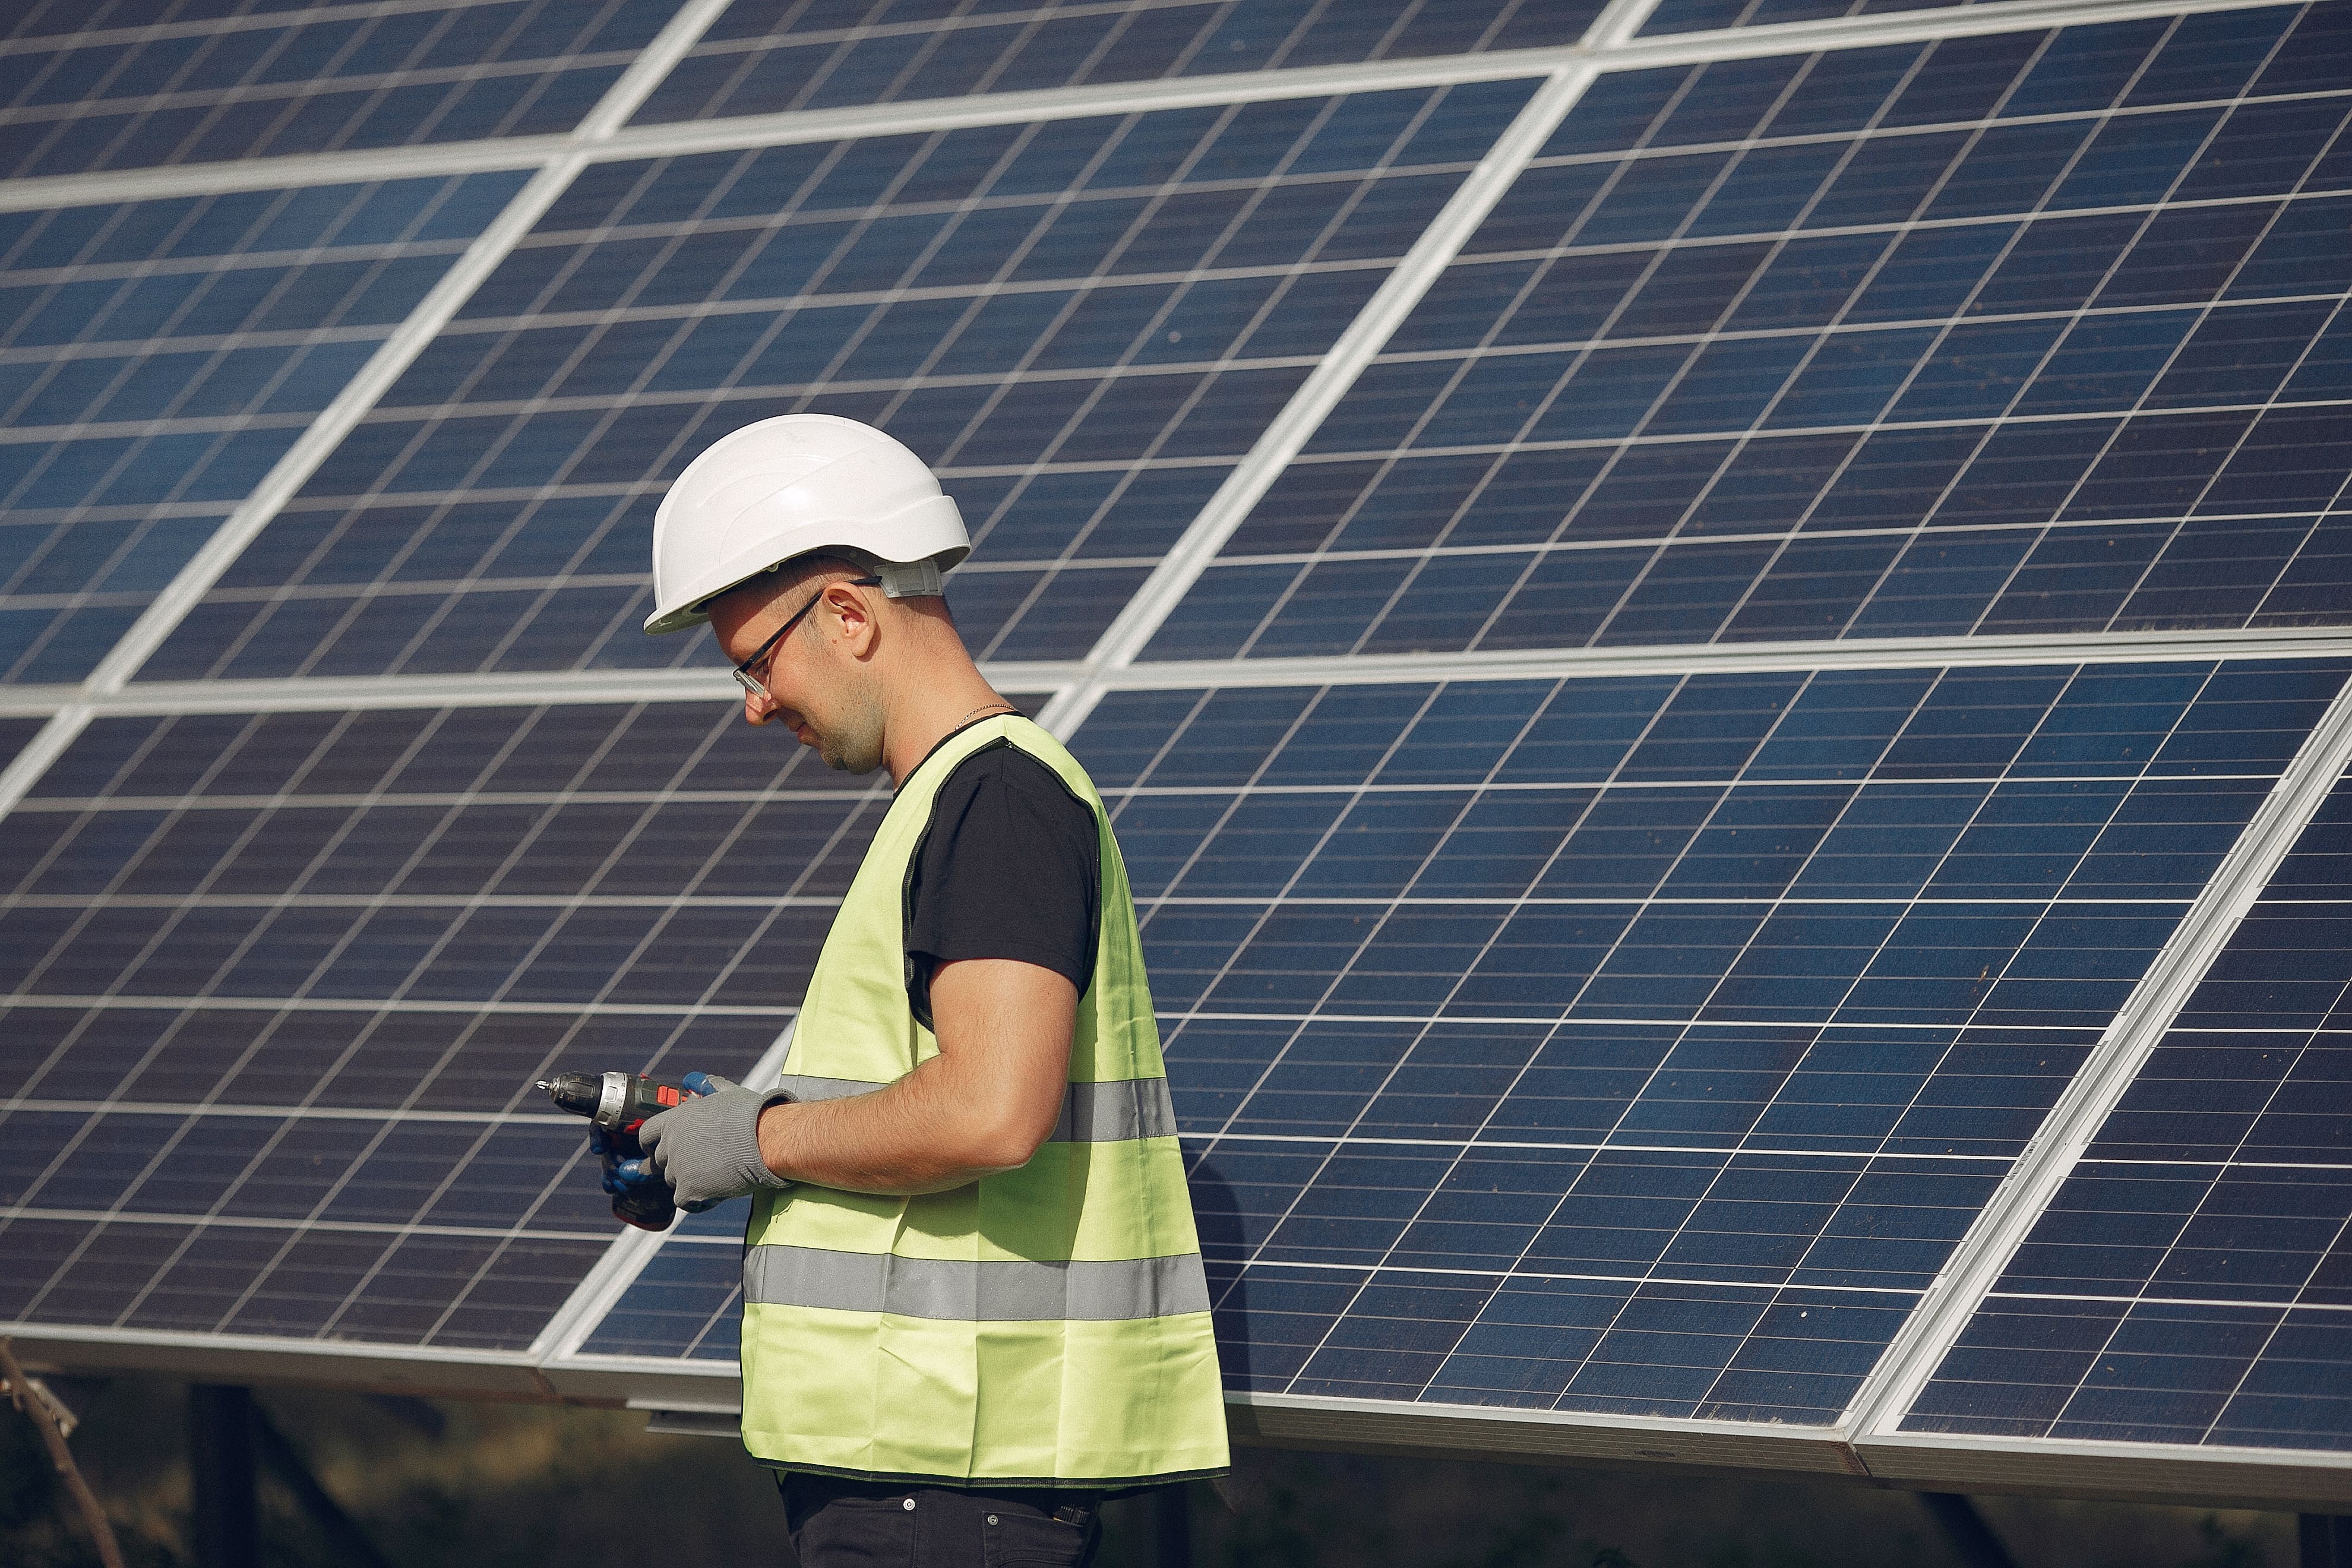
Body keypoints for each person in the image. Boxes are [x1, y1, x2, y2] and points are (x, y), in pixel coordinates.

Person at [607, 414, 1228, 1568]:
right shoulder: (966, 803)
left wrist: (763, 1141)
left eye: (758, 663)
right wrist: (728, 1133)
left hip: (950, 1493)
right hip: (927, 1486)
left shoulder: (997, 804)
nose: (753, 704)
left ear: (848, 614)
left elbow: (991, 1109)